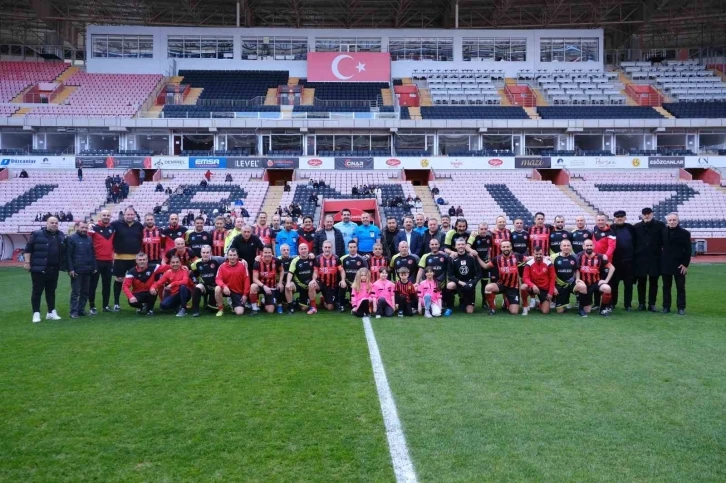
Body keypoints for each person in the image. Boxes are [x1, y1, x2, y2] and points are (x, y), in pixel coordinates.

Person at [24, 217, 65, 323]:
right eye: (52, 222)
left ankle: (51, 312)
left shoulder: (60, 235)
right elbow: (28, 249)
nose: (54, 224)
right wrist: (27, 262)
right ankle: (36, 313)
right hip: (39, 268)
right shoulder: (37, 234)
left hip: (54, 268)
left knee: (51, 291)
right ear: (46, 223)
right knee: (37, 292)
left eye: (56, 223)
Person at [110, 207, 144, 311]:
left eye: (131, 214)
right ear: (124, 215)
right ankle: (116, 303)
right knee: (119, 279)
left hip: (134, 258)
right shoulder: (115, 224)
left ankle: (138, 303)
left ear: (135, 215)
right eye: (128, 214)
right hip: (120, 258)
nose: (130, 216)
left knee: (136, 281)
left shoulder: (139, 226)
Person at [633, 207, 664, 312]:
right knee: (641, 282)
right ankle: (641, 304)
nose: (646, 215)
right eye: (644, 214)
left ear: (652, 214)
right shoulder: (636, 227)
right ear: (642, 215)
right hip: (640, 259)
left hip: (655, 259)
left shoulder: (660, 225)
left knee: (653, 282)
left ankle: (652, 304)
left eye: (648, 213)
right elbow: (633, 243)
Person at [483, 240, 525, 316]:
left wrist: (545, 257)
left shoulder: (517, 256)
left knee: (514, 312)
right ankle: (492, 308)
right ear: (501, 248)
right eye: (504, 247)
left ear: (511, 247)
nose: (506, 248)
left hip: (513, 287)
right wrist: (476, 257)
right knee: (488, 287)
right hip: (501, 284)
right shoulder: (497, 259)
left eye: (507, 247)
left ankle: (506, 300)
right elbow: (485, 266)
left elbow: (529, 258)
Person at [575, 239, 615, 317]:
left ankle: (603, 309)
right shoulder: (579, 256)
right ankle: (581, 309)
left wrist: (606, 280)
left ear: (593, 246)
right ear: (583, 247)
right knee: (587, 310)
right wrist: (578, 279)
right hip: (584, 283)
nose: (589, 247)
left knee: (607, 288)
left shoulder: (600, 257)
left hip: (596, 282)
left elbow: (612, 268)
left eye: (590, 245)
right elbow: (576, 269)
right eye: (587, 245)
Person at [661, 213, 690, 315]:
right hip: (665, 264)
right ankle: (666, 307)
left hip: (679, 265)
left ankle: (681, 308)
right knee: (666, 287)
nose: (672, 222)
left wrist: (685, 264)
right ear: (667, 221)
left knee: (680, 287)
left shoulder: (685, 233)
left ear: (678, 221)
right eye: (670, 220)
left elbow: (688, 250)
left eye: (674, 220)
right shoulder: (663, 232)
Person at [66, 221, 97, 318]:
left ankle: (81, 310)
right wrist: (70, 269)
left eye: (86, 228)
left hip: (87, 269)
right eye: (82, 227)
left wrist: (94, 267)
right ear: (77, 227)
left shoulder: (89, 238)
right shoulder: (71, 239)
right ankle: (73, 312)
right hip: (76, 270)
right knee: (76, 292)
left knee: (85, 292)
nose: (84, 229)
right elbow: (68, 256)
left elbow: (92, 254)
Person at [88, 209, 115, 314]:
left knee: (107, 285)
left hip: (108, 261)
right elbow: (88, 243)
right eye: (104, 215)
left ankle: (105, 305)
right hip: (96, 261)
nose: (106, 217)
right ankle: (92, 306)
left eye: (108, 215)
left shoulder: (112, 229)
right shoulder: (93, 228)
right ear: (100, 216)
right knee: (93, 284)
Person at [309, 240, 345, 314]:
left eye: (329, 247)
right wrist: (313, 280)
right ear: (322, 248)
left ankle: (324, 300)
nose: (327, 249)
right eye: (325, 247)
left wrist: (343, 280)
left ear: (331, 248)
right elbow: (315, 271)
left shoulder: (336, 258)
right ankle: (313, 307)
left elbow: (341, 270)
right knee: (311, 285)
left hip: (331, 285)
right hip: (321, 283)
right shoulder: (318, 258)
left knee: (330, 308)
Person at [447, 238, 483, 314]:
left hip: (469, 284)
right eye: (459, 245)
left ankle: (464, 300)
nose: (461, 246)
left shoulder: (472, 257)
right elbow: (450, 276)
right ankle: (450, 306)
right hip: (458, 283)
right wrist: (459, 282)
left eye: (463, 244)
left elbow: (479, 273)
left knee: (469, 311)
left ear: (465, 246)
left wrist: (472, 283)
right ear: (455, 246)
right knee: (450, 285)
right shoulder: (452, 258)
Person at [189, 245, 226, 317]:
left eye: (207, 252)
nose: (205, 254)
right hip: (205, 285)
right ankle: (195, 310)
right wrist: (195, 282)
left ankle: (217, 304)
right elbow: (193, 273)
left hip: (216, 286)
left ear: (211, 253)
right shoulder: (197, 263)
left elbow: (229, 259)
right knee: (197, 288)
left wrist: (240, 259)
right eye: (203, 252)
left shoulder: (217, 261)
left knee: (212, 309)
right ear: (201, 253)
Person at [610, 210, 636, 311]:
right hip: (615, 261)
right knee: (614, 284)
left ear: (625, 218)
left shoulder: (630, 228)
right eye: (617, 216)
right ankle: (612, 303)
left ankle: (627, 304)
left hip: (629, 261)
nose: (619, 218)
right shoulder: (611, 228)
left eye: (621, 216)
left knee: (628, 284)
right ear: (614, 218)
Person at [214, 248, 250, 317]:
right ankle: (220, 309)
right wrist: (224, 286)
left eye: (234, 255)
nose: (232, 257)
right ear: (227, 256)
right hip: (226, 290)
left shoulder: (243, 266)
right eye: (230, 255)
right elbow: (217, 279)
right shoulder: (222, 266)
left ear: (237, 256)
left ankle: (233, 304)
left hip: (238, 292)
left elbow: (247, 280)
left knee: (239, 312)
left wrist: (245, 294)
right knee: (217, 289)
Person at [520, 246, 556, 316]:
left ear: (543, 254)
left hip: (545, 288)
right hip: (533, 287)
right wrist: (533, 285)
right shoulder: (528, 264)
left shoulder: (549, 264)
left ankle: (538, 304)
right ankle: (525, 306)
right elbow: (525, 278)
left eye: (540, 254)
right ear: (533, 254)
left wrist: (550, 292)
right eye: (537, 254)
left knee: (545, 311)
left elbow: (552, 278)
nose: (538, 256)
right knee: (523, 287)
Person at [251, 245, 284, 315]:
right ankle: (254, 308)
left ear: (271, 252)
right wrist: (264, 287)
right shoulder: (257, 262)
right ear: (262, 253)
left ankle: (262, 301)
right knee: (253, 286)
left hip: (271, 286)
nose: (267, 254)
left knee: (270, 310)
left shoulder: (276, 261)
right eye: (265, 252)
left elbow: (281, 271)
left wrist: (280, 282)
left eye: (269, 252)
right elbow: (254, 279)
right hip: (261, 285)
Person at [468, 222, 493, 310]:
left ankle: (484, 302)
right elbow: (467, 246)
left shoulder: (489, 237)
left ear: (487, 229)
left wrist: (489, 256)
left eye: (485, 229)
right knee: (473, 283)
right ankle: (471, 302)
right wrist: (472, 251)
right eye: (481, 229)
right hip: (475, 264)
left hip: (485, 263)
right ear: (478, 229)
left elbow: (490, 248)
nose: (483, 231)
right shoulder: (474, 237)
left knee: (484, 284)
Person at [285, 244, 316, 314]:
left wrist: (313, 280)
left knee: (303, 308)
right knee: (288, 286)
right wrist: (288, 282)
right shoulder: (295, 260)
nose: (303, 250)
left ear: (308, 249)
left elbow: (316, 271)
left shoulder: (312, 259)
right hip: (298, 284)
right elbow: (290, 273)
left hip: (308, 286)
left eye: (305, 249)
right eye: (301, 249)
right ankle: (290, 307)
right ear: (298, 250)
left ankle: (303, 302)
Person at [339, 240, 368, 312]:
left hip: (358, 283)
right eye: (351, 247)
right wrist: (343, 280)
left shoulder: (362, 259)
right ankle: (341, 305)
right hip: (347, 281)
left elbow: (366, 272)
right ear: (348, 248)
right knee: (341, 286)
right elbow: (340, 271)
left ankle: (353, 302)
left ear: (357, 248)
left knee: (353, 303)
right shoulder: (343, 259)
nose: (353, 249)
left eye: (354, 247)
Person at [552, 239, 579, 313]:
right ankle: (564, 302)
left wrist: (578, 279)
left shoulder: (575, 257)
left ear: (571, 247)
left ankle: (581, 303)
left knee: (582, 287)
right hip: (560, 285)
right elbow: (550, 273)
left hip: (571, 283)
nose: (566, 247)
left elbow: (577, 270)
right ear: (560, 247)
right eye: (564, 245)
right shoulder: (553, 257)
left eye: (568, 246)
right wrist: (553, 287)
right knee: (560, 311)